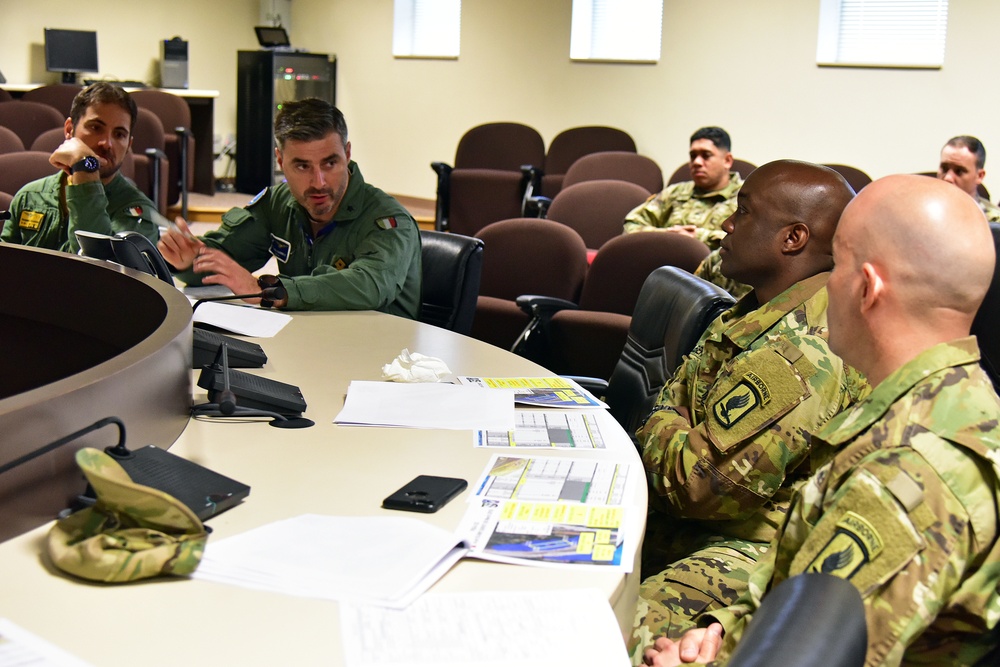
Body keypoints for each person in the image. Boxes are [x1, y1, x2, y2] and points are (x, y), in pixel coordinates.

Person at [645, 174, 1000, 666]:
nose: (822, 289)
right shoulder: (933, 403)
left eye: (837, 268)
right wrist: (724, 631)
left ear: (867, 288)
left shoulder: (910, 470)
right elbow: (800, 575)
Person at [629, 160, 867, 664]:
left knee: (619, 630)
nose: (725, 224)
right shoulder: (756, 307)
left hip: (749, 548)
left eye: (743, 212)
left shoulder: (801, 353)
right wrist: (674, 425)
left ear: (793, 238)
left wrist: (659, 420)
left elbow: (700, 486)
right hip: (697, 523)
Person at [158, 98, 421, 315]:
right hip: (311, 341)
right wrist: (191, 260)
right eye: (302, 166)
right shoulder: (277, 203)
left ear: (348, 154)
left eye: (330, 163)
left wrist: (272, 291)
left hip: (385, 360)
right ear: (280, 160)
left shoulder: (387, 219)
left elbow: (371, 285)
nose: (319, 182)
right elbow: (225, 258)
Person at [1, 82, 164, 253]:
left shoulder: (137, 212)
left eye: (119, 134)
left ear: (129, 144)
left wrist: (86, 169)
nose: (107, 143)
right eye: (95, 128)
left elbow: (97, 271)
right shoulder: (29, 196)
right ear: (70, 130)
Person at [622, 127, 742, 249]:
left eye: (706, 155)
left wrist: (698, 236)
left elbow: (747, 241)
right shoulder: (675, 192)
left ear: (727, 160)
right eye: (693, 156)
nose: (697, 162)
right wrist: (669, 235)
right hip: (666, 261)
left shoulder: (746, 197)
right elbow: (632, 224)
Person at [937, 135, 1000, 222]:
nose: (948, 178)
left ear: (979, 176)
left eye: (959, 171)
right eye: (944, 168)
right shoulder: (921, 208)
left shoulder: (994, 220)